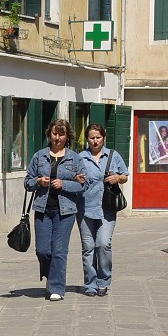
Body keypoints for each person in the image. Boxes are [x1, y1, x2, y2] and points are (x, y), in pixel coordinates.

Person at [24, 119, 87, 301]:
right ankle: (51, 276)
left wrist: (64, 184)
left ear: (67, 137)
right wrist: (38, 181)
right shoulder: (39, 156)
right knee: (43, 250)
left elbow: (84, 184)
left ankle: (56, 288)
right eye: (54, 134)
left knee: (59, 250)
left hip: (65, 211)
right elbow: (27, 182)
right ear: (49, 134)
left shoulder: (75, 159)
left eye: (61, 134)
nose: (57, 138)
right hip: (43, 209)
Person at [75, 123, 130, 297]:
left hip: (106, 208)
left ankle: (103, 280)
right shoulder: (80, 157)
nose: (95, 141)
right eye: (92, 138)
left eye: (98, 137)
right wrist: (77, 178)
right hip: (85, 208)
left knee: (103, 244)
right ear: (87, 139)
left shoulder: (113, 155)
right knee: (88, 247)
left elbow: (125, 176)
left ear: (103, 137)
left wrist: (118, 177)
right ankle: (90, 284)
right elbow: (72, 178)